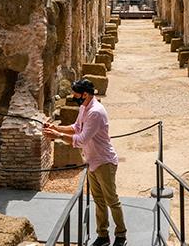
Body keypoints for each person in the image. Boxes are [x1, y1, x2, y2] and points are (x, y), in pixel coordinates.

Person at [44, 79, 127, 246]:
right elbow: (76, 127)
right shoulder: (84, 107)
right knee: (98, 199)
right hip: (92, 160)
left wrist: (58, 136)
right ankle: (103, 235)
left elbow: (81, 139)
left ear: (85, 94)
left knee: (112, 200)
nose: (75, 98)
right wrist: (56, 128)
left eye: (76, 95)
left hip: (104, 161)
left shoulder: (95, 112)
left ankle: (121, 235)